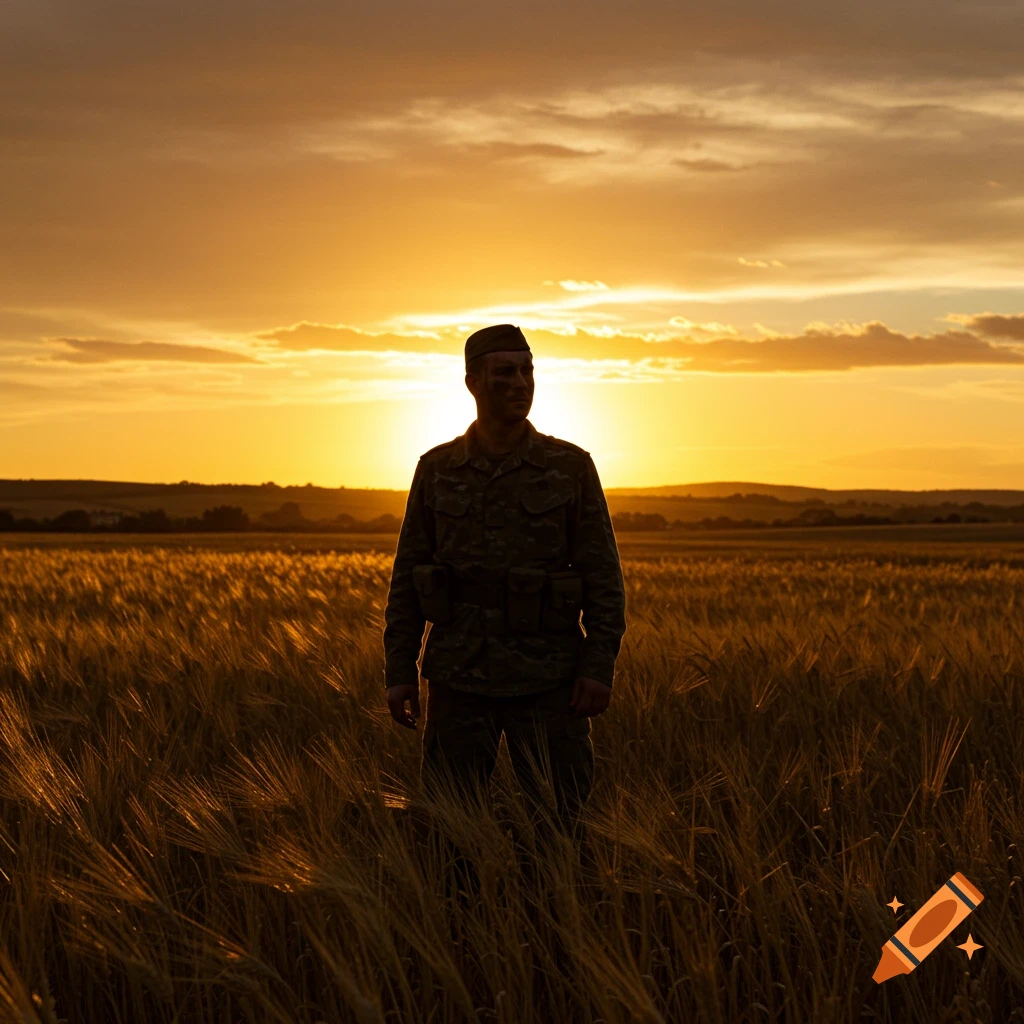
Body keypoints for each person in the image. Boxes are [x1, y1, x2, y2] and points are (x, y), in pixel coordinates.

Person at [382, 323, 627, 831]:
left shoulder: (570, 467)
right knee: (450, 829)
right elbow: (407, 576)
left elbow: (603, 577)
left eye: (527, 370)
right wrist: (399, 669)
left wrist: (598, 666)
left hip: (550, 678)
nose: (520, 382)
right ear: (472, 382)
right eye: (505, 372)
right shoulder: (437, 468)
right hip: (458, 676)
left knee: (562, 829)